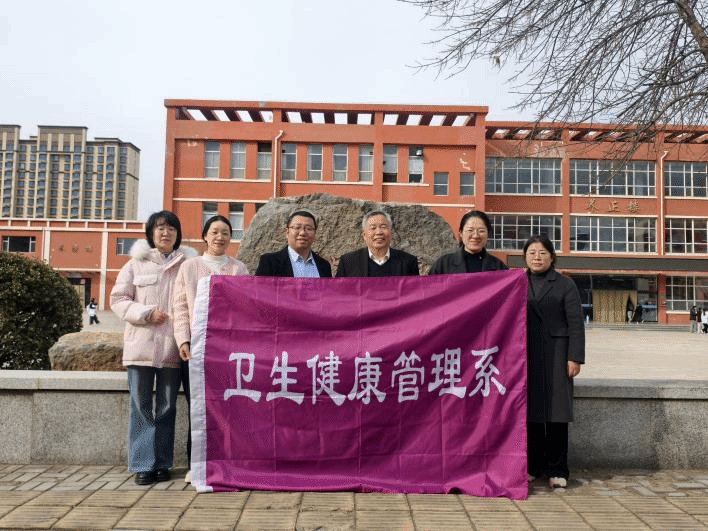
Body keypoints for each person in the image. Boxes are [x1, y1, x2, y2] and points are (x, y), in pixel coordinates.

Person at [110, 210, 196, 486]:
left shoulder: (187, 264)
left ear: (177, 234)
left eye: (171, 228)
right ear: (150, 233)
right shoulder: (135, 264)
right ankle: (142, 464)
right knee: (141, 406)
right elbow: (118, 299)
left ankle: (162, 463)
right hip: (140, 347)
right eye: (160, 228)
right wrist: (146, 313)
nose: (165, 233)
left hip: (173, 348)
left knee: (167, 407)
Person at [173, 215, 248, 483]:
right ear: (205, 236)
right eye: (214, 232)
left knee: (228, 407)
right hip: (197, 349)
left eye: (225, 232)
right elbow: (180, 307)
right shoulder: (189, 267)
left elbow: (246, 310)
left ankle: (227, 462)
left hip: (228, 350)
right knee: (198, 407)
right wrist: (183, 340)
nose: (220, 237)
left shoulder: (239, 269)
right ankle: (197, 464)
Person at [523, 235, 585, 490]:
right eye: (532, 253)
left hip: (557, 355)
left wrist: (575, 357)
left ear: (552, 257)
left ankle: (558, 469)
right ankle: (533, 466)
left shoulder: (564, 284)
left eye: (542, 253)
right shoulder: (517, 281)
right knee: (531, 414)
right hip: (526, 355)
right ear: (525, 257)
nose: (537, 257)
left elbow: (576, 323)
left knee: (557, 415)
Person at [336, 210, 419, 277]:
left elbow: (415, 291)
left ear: (391, 233)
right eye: (373, 228)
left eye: (383, 227)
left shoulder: (408, 262)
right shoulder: (348, 262)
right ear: (364, 235)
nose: (379, 232)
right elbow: (340, 291)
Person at [255, 209, 332, 277]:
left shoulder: (324, 265)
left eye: (309, 229)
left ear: (315, 233)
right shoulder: (269, 262)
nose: (302, 233)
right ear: (287, 232)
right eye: (297, 227)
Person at [429, 210, 507, 274]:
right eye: (470, 230)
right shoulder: (443, 265)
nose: (476, 236)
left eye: (481, 231)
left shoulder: (499, 267)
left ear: (488, 234)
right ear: (461, 233)